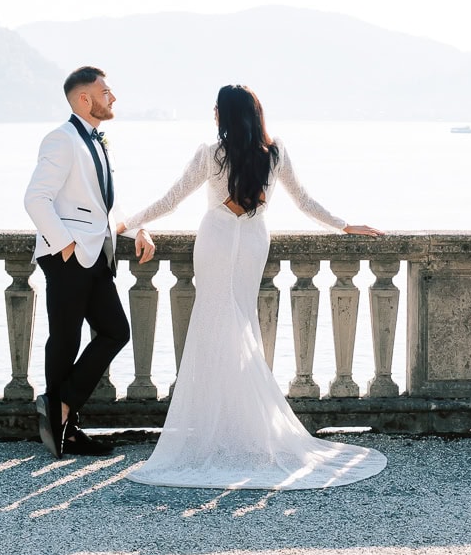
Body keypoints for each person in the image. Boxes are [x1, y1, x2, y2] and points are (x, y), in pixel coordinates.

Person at [115, 84, 388, 489]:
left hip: (217, 241)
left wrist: (127, 224)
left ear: (224, 115)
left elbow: (171, 200)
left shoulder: (211, 154)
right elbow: (305, 201)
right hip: (253, 242)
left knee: (214, 329)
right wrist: (344, 224)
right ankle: (242, 426)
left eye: (216, 109)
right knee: (241, 327)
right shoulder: (275, 154)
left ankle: (221, 428)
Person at [23, 66, 156, 458]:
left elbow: (99, 210)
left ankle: (60, 409)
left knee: (115, 331)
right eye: (106, 91)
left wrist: (137, 230)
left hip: (96, 255)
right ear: (85, 98)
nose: (112, 97)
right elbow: (35, 199)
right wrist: (64, 245)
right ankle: (65, 427)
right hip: (69, 256)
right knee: (65, 340)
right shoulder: (61, 139)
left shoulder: (96, 141)